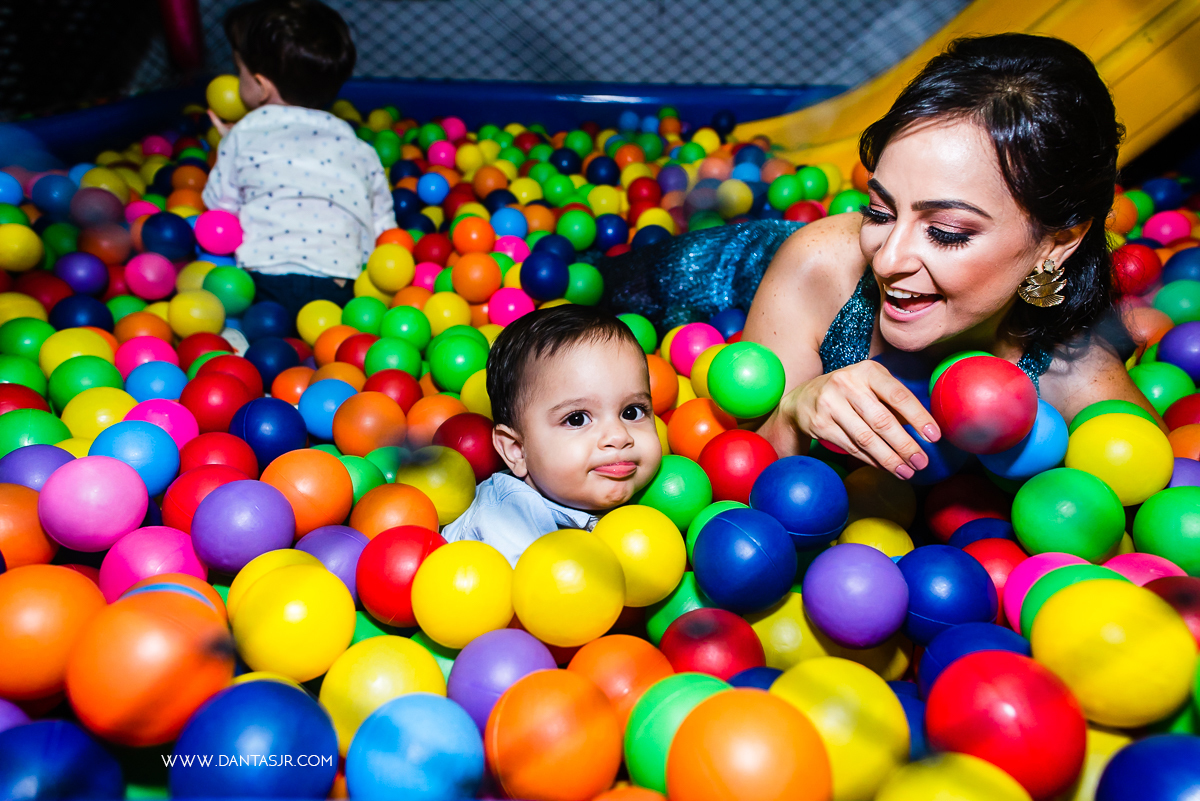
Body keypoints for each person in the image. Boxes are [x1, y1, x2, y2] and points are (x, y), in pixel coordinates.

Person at [739, 33, 1158, 479]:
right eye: (878, 211)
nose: (886, 261)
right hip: (732, 264)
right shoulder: (819, 266)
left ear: (1056, 243)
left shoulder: (1085, 387)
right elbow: (735, 473)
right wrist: (793, 412)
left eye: (945, 232)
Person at [201, 0, 396, 318]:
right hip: (339, 286)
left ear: (261, 86)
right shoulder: (359, 146)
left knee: (249, 332)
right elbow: (384, 228)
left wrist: (231, 146)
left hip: (261, 279)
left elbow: (219, 210)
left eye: (239, 71)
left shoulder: (243, 135)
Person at [441, 306, 663, 566]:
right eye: (577, 419)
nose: (618, 435)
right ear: (517, 449)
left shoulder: (650, 492)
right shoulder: (505, 528)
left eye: (632, 412)